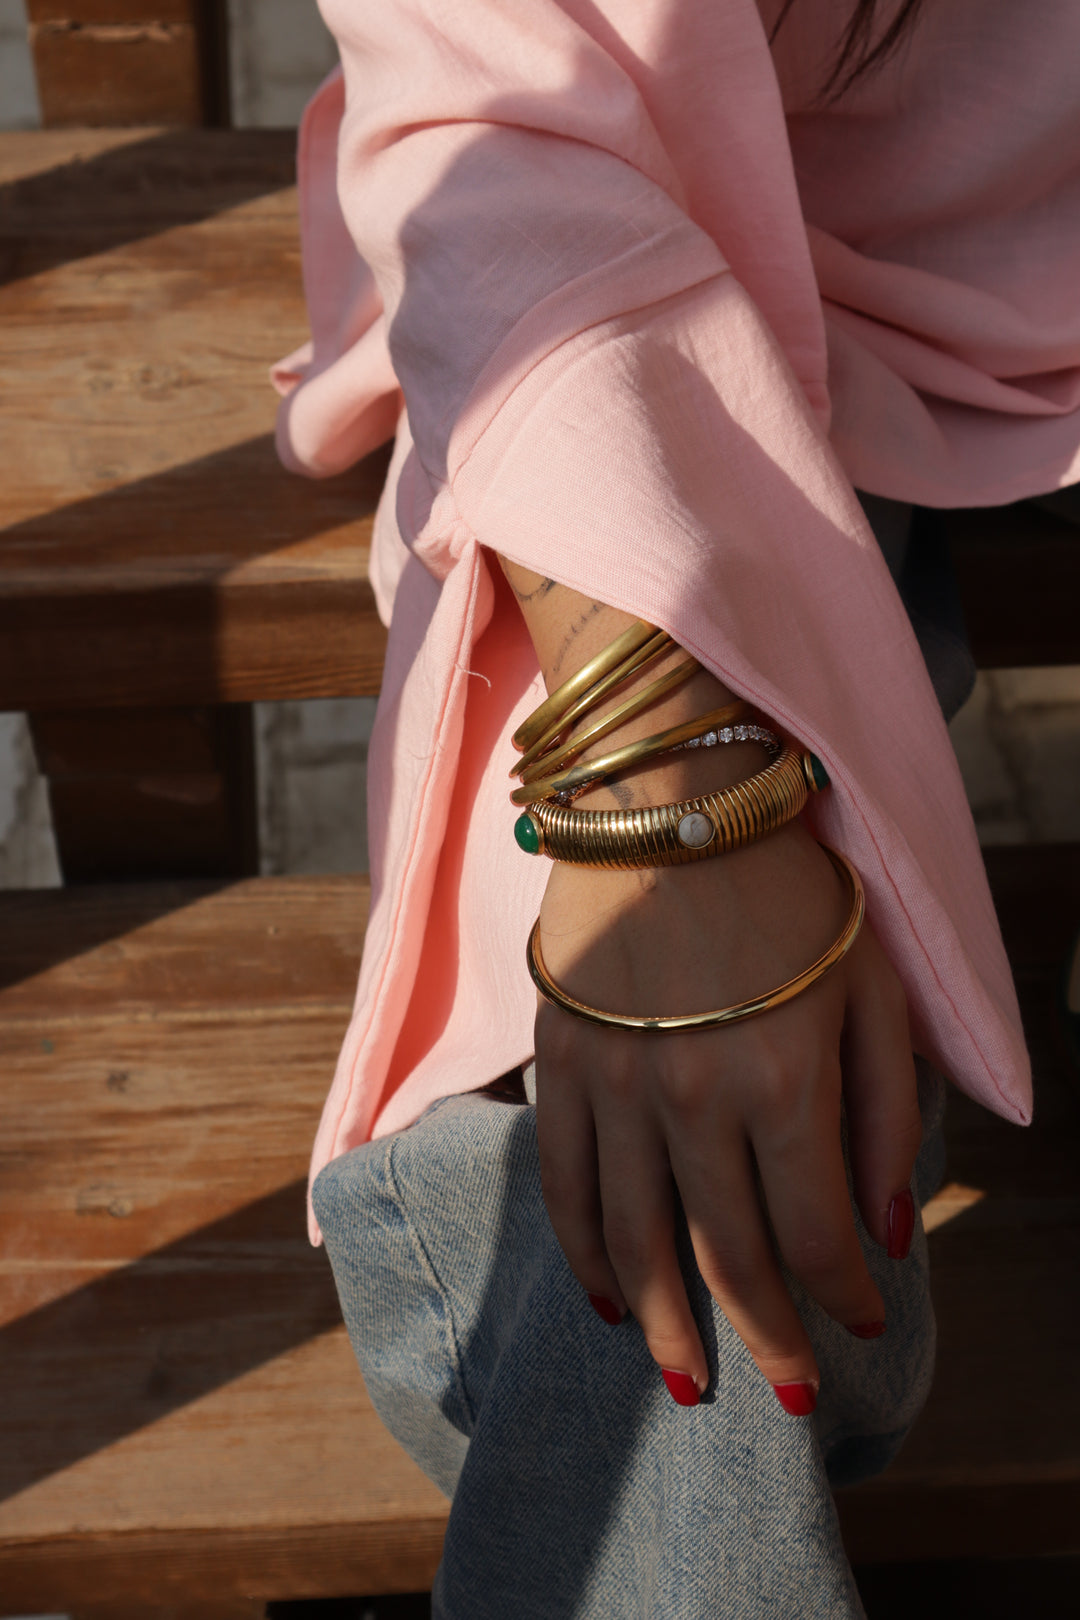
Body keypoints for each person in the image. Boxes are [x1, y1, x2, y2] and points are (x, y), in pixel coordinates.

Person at [272, 2, 1078, 1613]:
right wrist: (672, 772)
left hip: (1002, 215)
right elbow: (506, 131)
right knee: (648, 1184)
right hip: (633, 240)